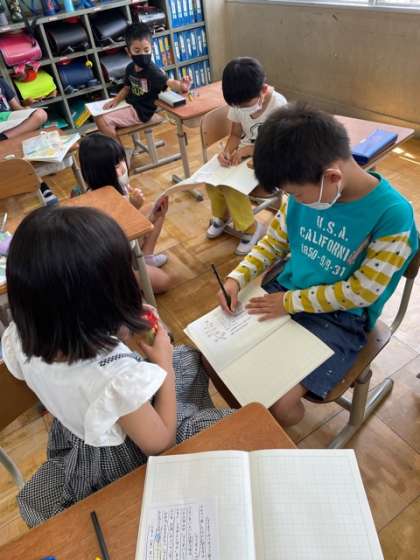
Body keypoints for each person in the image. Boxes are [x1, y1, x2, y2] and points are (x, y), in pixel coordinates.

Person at [2, 206, 232, 527]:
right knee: (188, 364)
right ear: (99, 306)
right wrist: (163, 363)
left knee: (180, 362)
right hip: (126, 458)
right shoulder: (111, 376)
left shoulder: (19, 337)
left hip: (79, 433)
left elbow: (39, 374)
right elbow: (160, 443)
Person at [218, 102, 418, 427]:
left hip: (342, 317)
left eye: (296, 195)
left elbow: (361, 293)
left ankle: (280, 431)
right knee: (233, 356)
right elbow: (274, 242)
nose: (292, 200)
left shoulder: (393, 215)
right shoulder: (307, 189)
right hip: (288, 290)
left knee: (282, 407)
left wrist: (289, 302)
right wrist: (236, 278)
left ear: (332, 177)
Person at [206, 57, 287, 256]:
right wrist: (227, 151)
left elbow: (280, 147)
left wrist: (248, 150)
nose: (241, 110)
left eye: (246, 106)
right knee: (211, 180)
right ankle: (221, 216)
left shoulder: (279, 105)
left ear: (263, 90)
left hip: (271, 161)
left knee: (232, 187)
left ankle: (251, 229)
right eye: (238, 107)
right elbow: (235, 134)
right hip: (246, 155)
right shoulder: (239, 101)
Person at [79, 133, 171, 294]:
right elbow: (124, 238)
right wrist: (135, 209)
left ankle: (146, 258)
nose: (123, 167)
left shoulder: (117, 187)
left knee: (154, 207)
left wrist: (149, 214)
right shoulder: (100, 202)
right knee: (164, 282)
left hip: (127, 246)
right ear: (100, 172)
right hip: (115, 263)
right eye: (116, 165)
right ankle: (125, 285)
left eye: (122, 159)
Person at [95, 23, 191, 140]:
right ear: (128, 52)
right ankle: (114, 148)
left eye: (146, 50)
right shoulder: (130, 67)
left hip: (141, 112)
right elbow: (126, 88)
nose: (142, 54)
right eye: (137, 51)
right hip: (129, 104)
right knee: (98, 116)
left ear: (152, 48)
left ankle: (117, 151)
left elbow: (170, 82)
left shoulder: (152, 71)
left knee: (103, 121)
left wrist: (182, 86)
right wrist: (115, 100)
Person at [0, 76, 47, 140]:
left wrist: (25, 109)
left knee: (41, 114)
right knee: (27, 125)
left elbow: (16, 107)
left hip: (7, 116)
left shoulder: (1, 81)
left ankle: (4, 137)